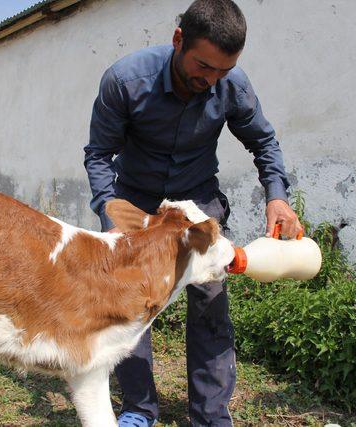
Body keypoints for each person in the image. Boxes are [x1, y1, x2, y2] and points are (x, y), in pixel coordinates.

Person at [84, 0, 302, 425]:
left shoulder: (231, 85)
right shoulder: (127, 80)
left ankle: (210, 414)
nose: (211, 79)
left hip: (197, 203)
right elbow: (98, 155)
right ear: (178, 40)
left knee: (209, 300)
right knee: (133, 306)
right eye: (204, 66)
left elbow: (264, 143)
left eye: (223, 70)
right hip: (136, 204)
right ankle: (137, 409)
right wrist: (111, 215)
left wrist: (277, 195)